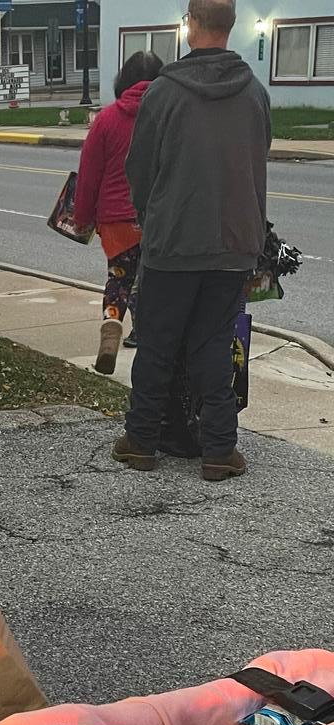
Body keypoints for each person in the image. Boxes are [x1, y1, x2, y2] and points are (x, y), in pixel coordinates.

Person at [113, 0, 271, 482]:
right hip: (233, 241)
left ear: (190, 26)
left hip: (174, 240)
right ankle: (220, 448)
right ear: (232, 27)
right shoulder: (255, 95)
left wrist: (150, 216)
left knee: (159, 343)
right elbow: (258, 161)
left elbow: (139, 168)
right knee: (214, 342)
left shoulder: (164, 93)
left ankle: (142, 439)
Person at [72, 50, 163, 375]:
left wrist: (82, 217)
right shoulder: (168, 117)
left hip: (115, 221)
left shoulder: (107, 120)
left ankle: (112, 324)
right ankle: (145, 333)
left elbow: (89, 175)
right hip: (158, 218)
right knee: (151, 279)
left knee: (121, 277)